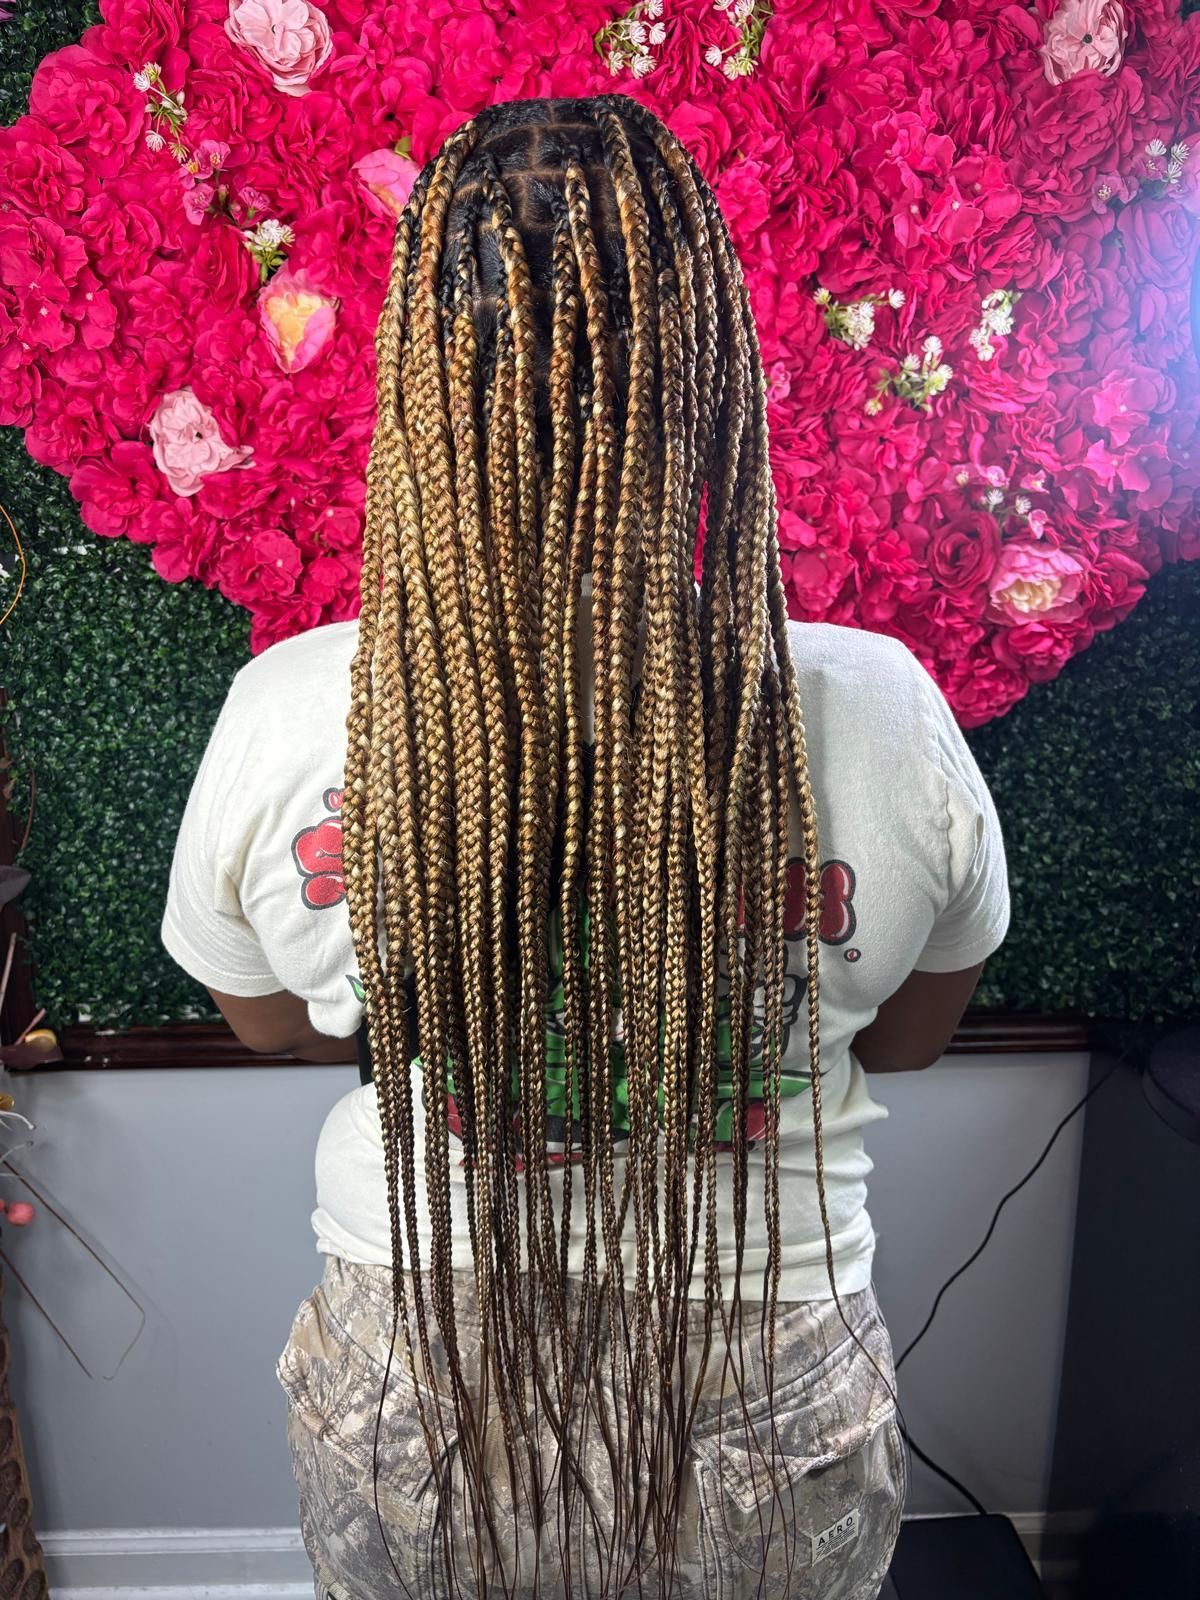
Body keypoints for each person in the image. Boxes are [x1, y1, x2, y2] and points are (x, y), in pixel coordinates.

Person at [162, 94, 1010, 1600]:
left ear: (423, 388)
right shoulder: (878, 706)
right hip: (763, 1357)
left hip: (425, 1342)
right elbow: (918, 1034)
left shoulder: (293, 708)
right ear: (706, 377)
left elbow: (273, 1025)